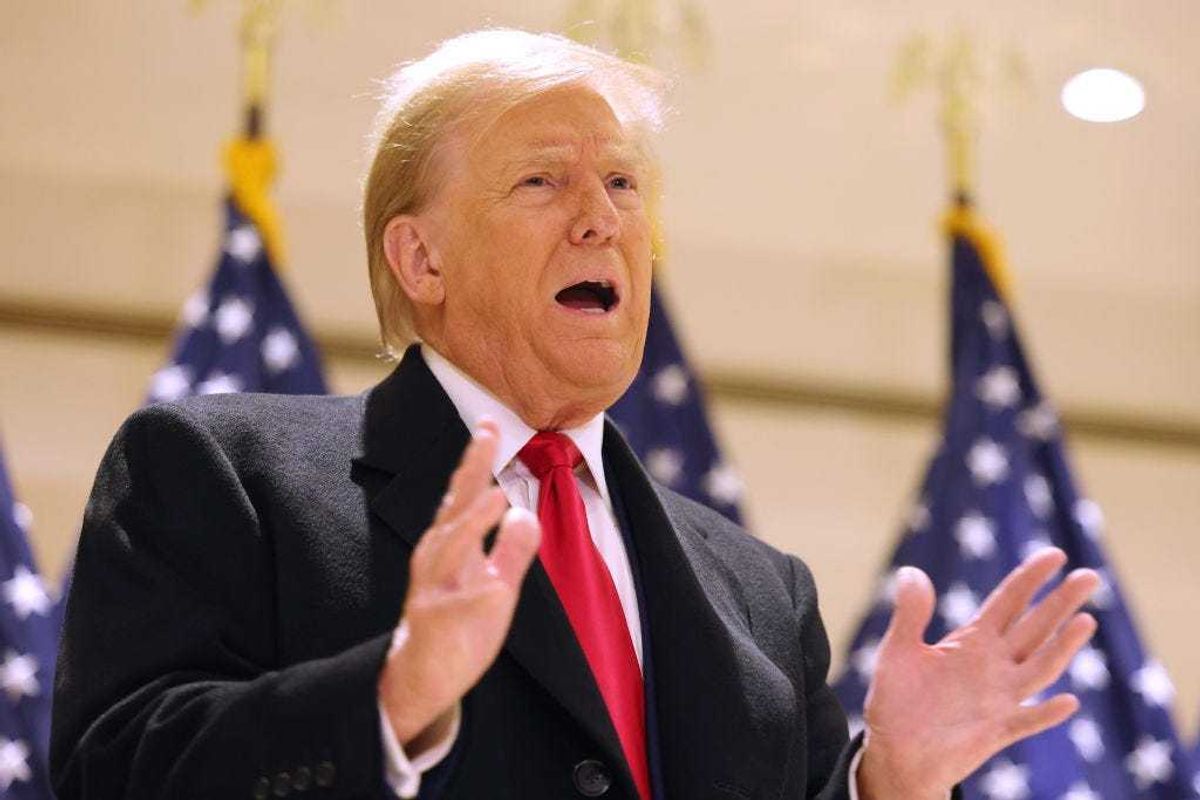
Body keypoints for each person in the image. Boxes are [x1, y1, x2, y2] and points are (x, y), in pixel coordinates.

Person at [51, 29, 1100, 800]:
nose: (602, 217)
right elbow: (118, 770)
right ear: (421, 258)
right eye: (542, 181)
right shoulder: (224, 473)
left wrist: (891, 784)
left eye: (623, 183)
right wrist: (394, 694)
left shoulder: (758, 589)